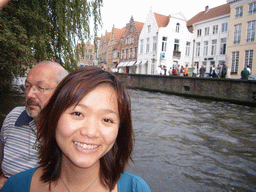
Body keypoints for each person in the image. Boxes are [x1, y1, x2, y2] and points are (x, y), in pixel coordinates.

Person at [1, 66, 151, 192]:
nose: (90, 132)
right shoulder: (15, 186)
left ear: (119, 130)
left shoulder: (135, 189)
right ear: (54, 117)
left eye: (107, 119)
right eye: (77, 113)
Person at [0, 61, 68, 188]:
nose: (30, 94)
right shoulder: (13, 117)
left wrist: (15, 186)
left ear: (61, 92)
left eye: (40, 88)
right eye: (27, 86)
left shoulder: (70, 130)